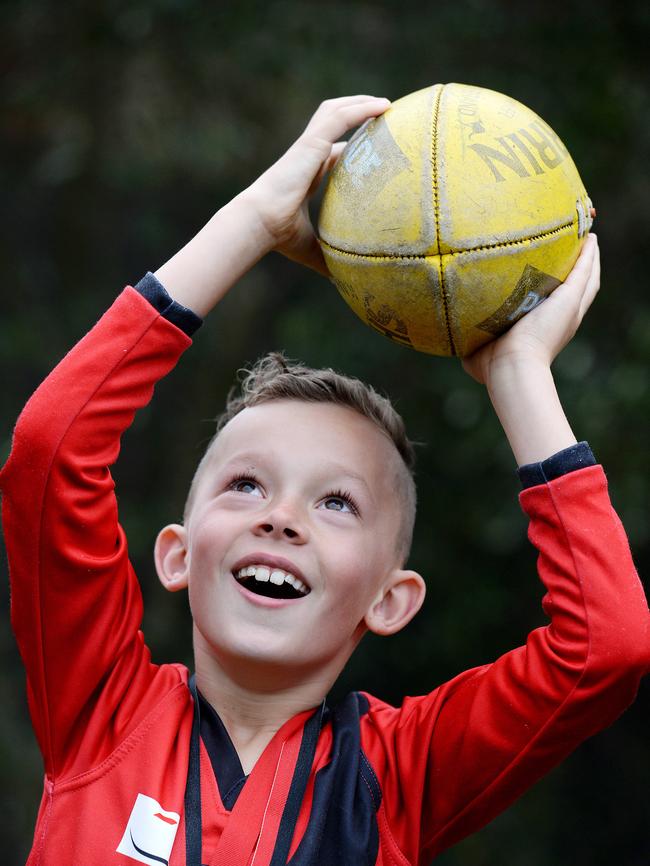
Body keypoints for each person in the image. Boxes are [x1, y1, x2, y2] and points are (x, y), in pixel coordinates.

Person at [1, 96, 648, 866]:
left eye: (336, 502)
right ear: (174, 553)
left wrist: (517, 373)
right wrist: (253, 223)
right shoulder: (101, 714)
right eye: (245, 485)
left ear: (390, 598)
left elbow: (604, 650)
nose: (281, 519)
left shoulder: (399, 777)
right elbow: (52, 450)